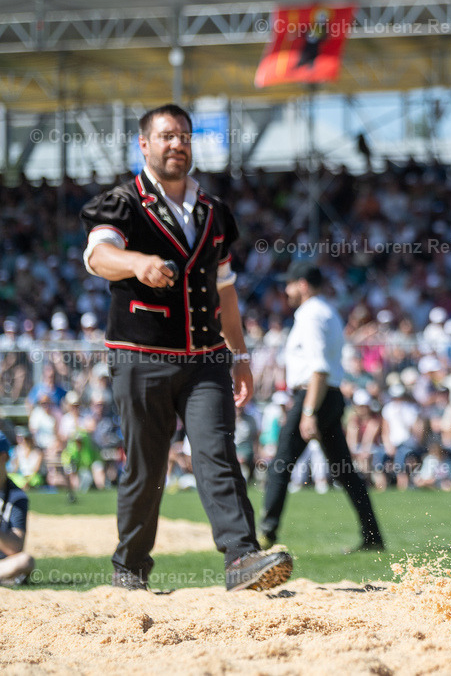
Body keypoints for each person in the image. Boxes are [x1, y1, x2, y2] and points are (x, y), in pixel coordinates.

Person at [81, 103, 292, 591]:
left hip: (206, 359)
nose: (177, 144)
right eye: (167, 136)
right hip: (141, 355)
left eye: (184, 136)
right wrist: (135, 264)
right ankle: (130, 567)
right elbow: (99, 254)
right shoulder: (122, 203)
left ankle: (242, 558)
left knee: (217, 453)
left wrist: (239, 355)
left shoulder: (213, 212)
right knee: (146, 466)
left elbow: (225, 290)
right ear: (144, 145)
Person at [258, 262, 384, 552]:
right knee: (345, 471)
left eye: (289, 284)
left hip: (315, 394)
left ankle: (266, 533)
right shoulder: (327, 311)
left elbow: (318, 368)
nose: (286, 290)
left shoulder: (310, 315)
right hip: (329, 395)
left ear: (302, 284)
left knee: (281, 465)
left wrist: (308, 412)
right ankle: (373, 536)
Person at [0, 432, 35, 586]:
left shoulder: (16, 497)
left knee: (25, 561)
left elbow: (16, 547)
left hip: (3, 563)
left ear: (4, 457)